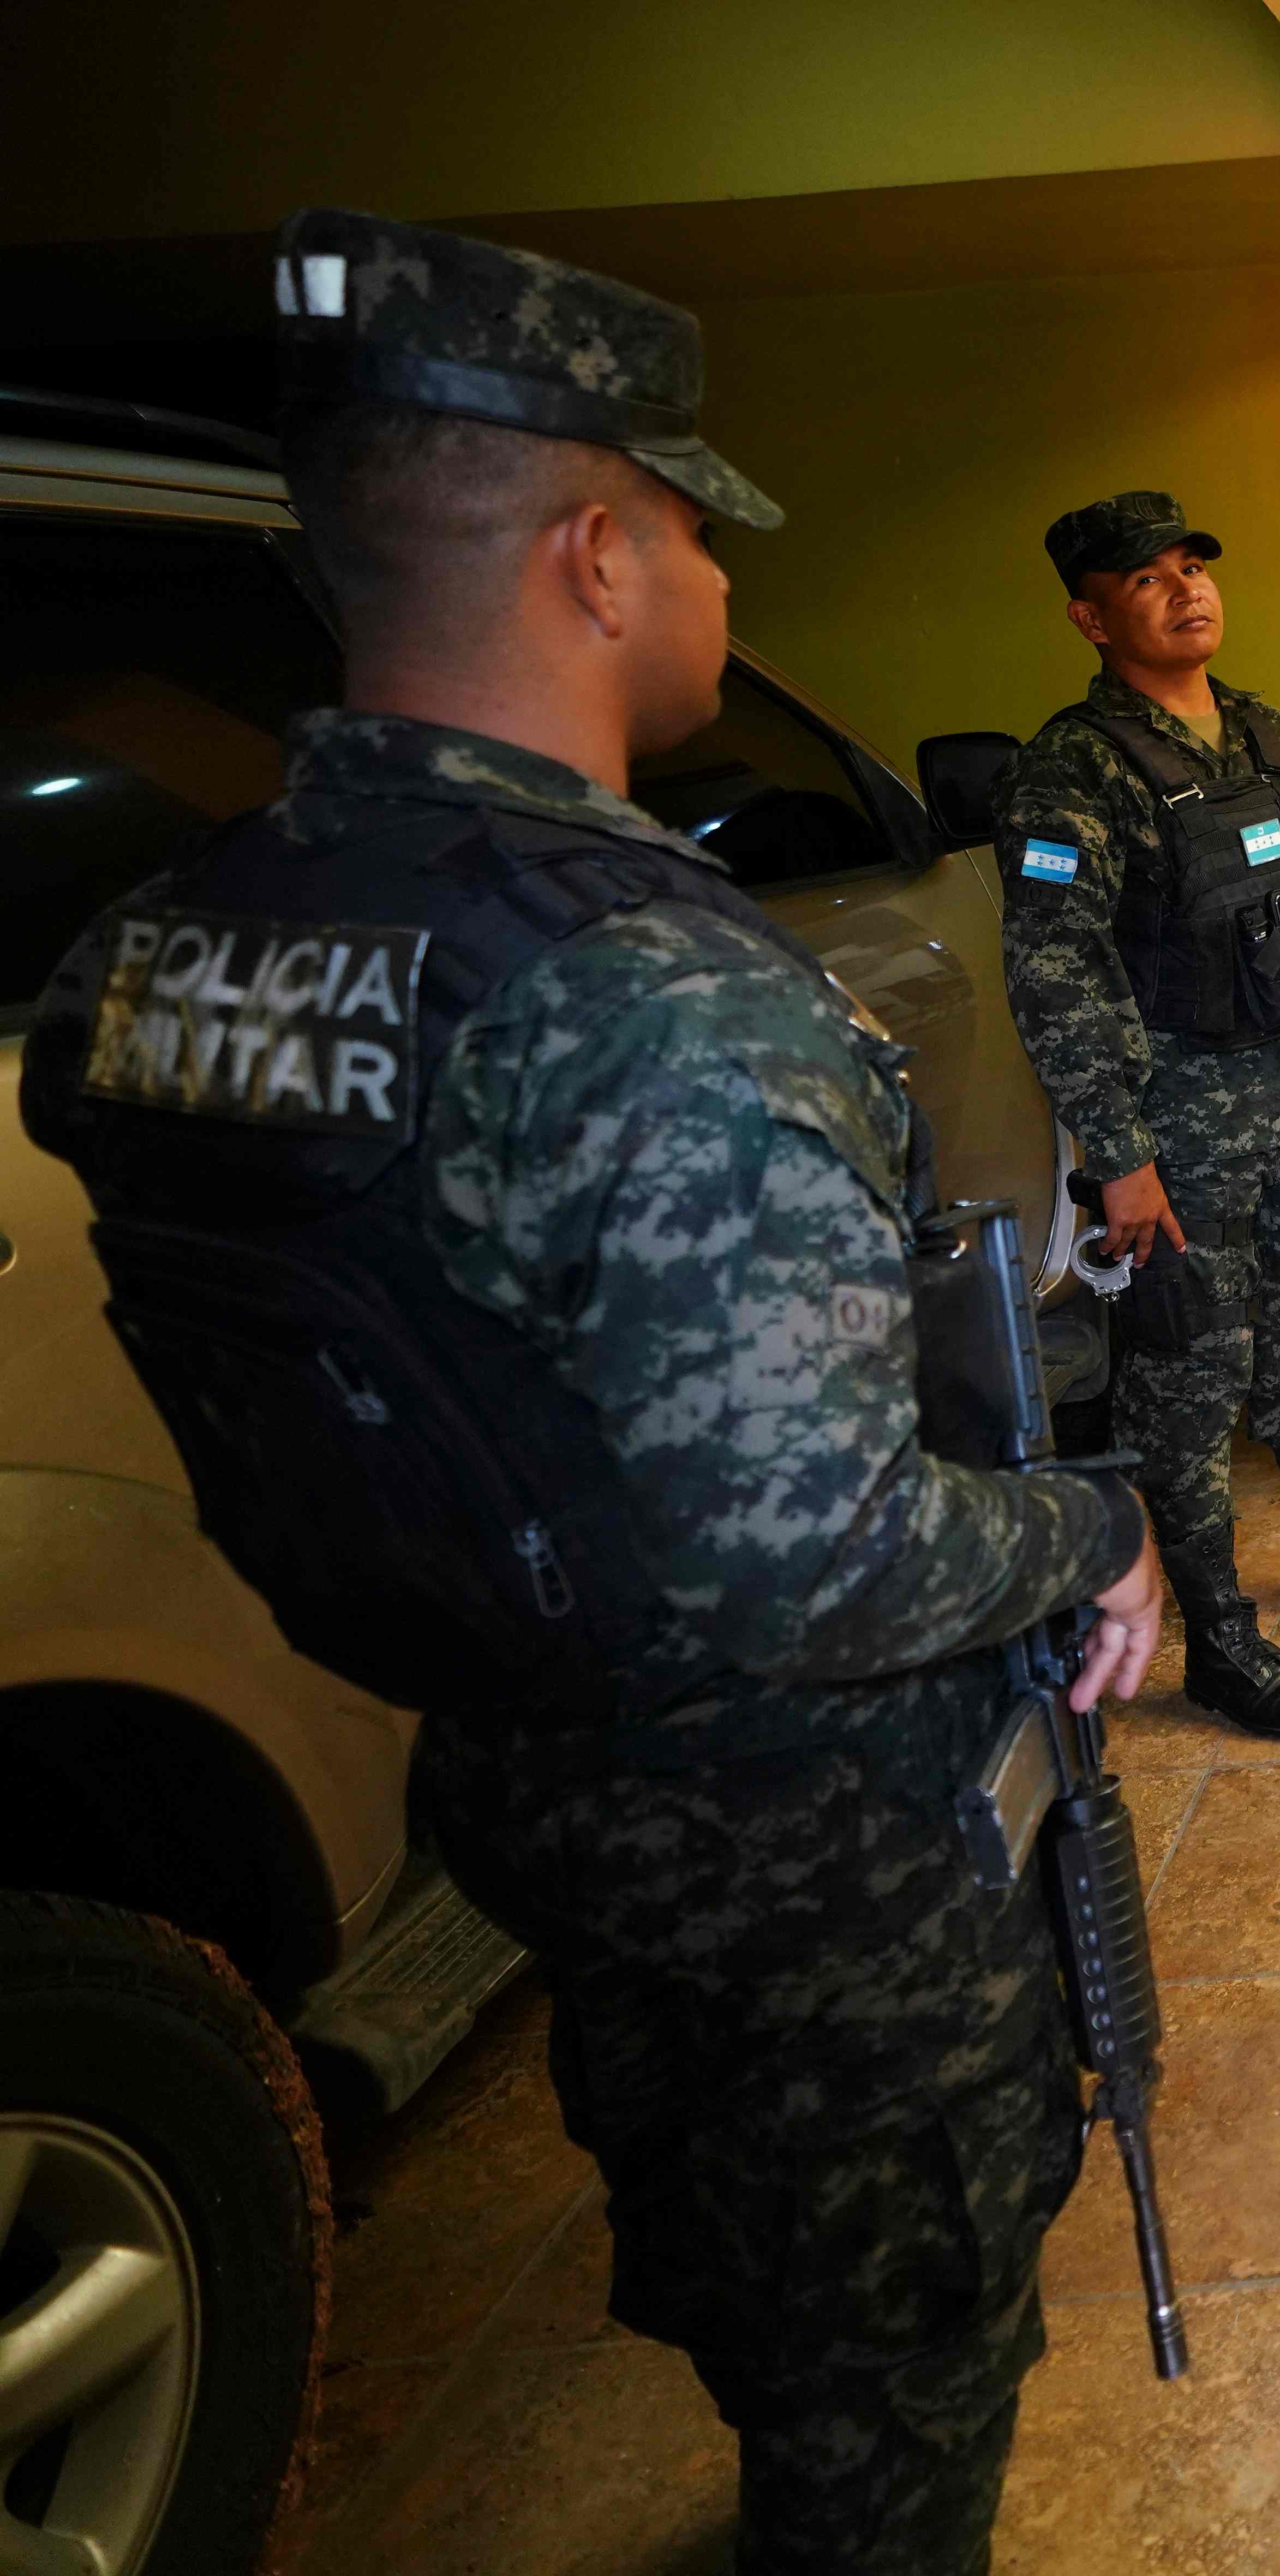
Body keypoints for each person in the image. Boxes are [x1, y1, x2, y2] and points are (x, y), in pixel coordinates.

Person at [17, 209, 1171, 2573]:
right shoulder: (649, 988)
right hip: (789, 1819)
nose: (718, 588)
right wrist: (1095, 1527)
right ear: (598, 556)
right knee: (898, 2345)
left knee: (740, 2231)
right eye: (697, 535)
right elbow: (815, 1557)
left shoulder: (154, 957)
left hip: (506, 1765)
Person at [996, 493, 1280, 1746]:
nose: (1186, 589)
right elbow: (1057, 974)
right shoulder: (1072, 771)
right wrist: (1119, 1157)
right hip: (1181, 1128)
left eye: (1192, 565)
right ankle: (1217, 1639)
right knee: (1190, 1373)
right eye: (1147, 579)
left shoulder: (1266, 733)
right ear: (1090, 617)